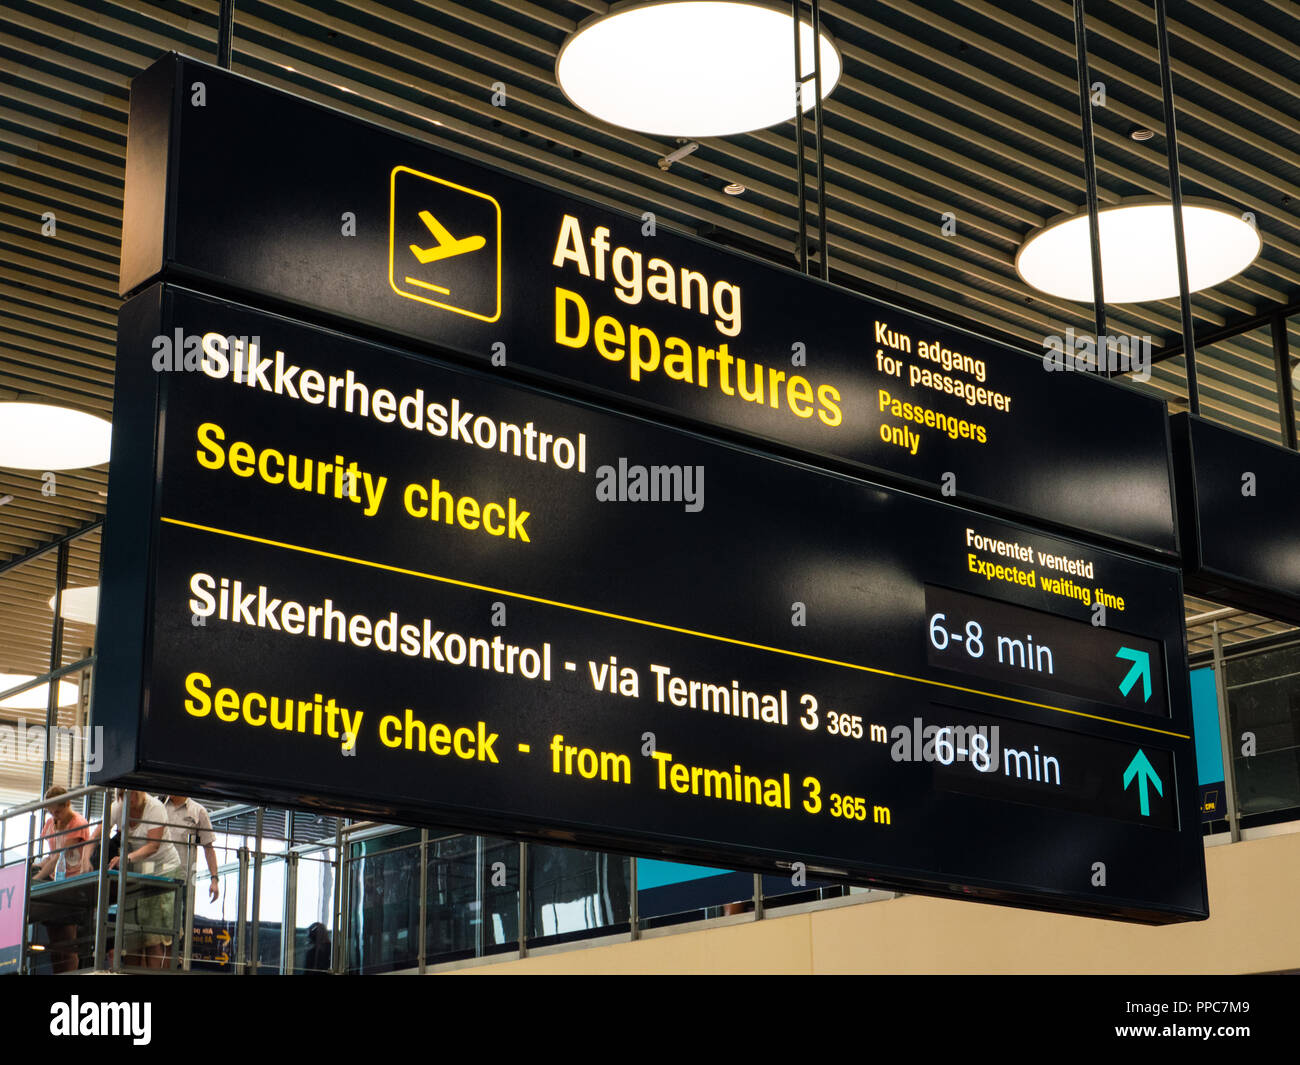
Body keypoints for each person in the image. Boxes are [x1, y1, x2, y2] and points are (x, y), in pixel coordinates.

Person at [90, 790, 182, 968]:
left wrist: (126, 858)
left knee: (155, 937)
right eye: (124, 794)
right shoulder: (117, 807)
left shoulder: (155, 808)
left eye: (133, 793)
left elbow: (153, 846)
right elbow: (96, 834)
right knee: (132, 939)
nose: (130, 798)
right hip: (137, 873)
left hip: (163, 871)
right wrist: (86, 857)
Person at [32, 785, 92, 973]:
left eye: (57, 811)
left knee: (67, 942)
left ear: (67, 804)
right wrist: (35, 869)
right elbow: (49, 858)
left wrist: (36, 879)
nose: (54, 815)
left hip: (72, 885)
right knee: (55, 942)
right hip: (55, 882)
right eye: (50, 812)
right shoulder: (50, 824)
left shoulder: (77, 823)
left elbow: (58, 858)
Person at [161, 794, 219, 968]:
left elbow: (209, 847)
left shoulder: (198, 811)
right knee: (157, 928)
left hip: (183, 880)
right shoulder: (158, 806)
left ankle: (177, 964)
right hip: (158, 878)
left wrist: (214, 879)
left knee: (180, 928)